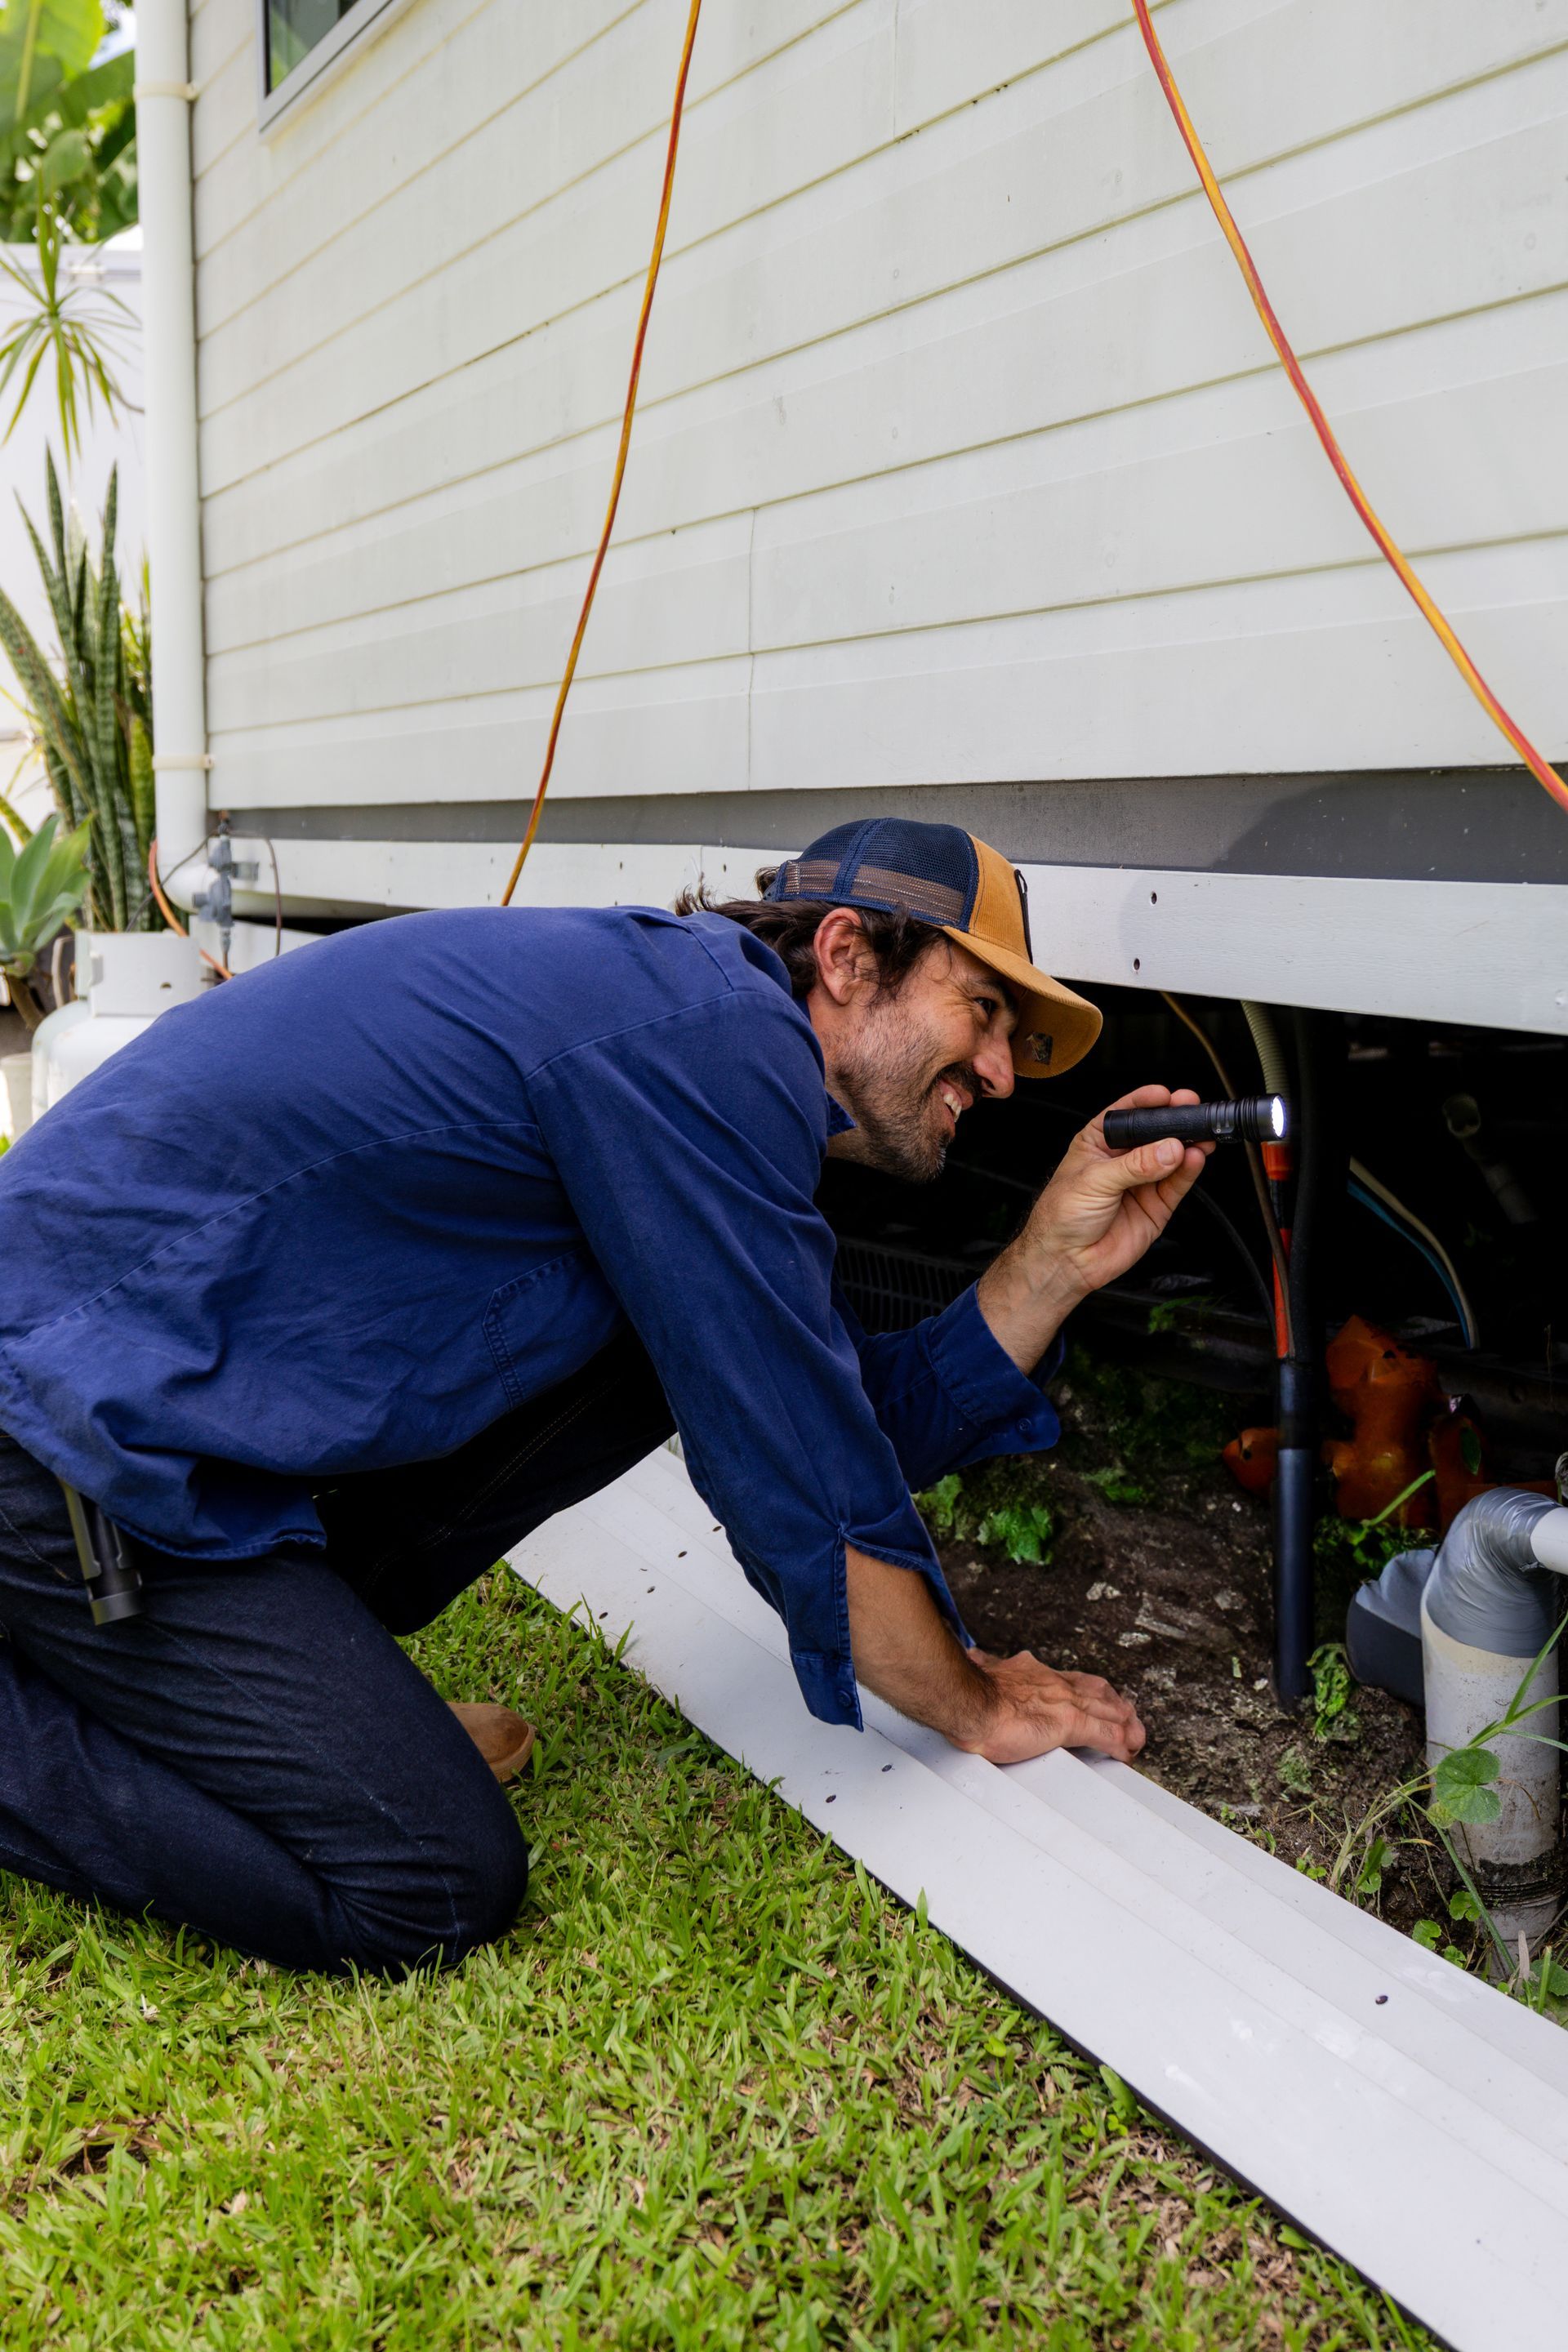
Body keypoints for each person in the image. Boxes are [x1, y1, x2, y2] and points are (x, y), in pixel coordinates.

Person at [0, 818, 1207, 1974]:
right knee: (433, 1874)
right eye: (983, 1011)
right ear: (846, 957)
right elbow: (804, 1482)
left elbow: (839, 1421)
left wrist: (1051, 1264)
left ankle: (291, 1711)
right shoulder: (715, 1044)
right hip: (67, 1425)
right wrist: (976, 1703)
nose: (999, 1073)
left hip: (144, 1418)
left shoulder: (680, 1034)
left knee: (643, 1357)